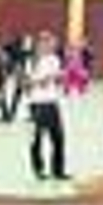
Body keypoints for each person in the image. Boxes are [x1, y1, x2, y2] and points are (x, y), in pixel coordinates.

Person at [24, 32, 68, 180]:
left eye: (53, 42)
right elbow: (26, 84)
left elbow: (58, 81)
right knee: (36, 138)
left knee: (58, 138)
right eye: (49, 42)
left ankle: (58, 170)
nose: (53, 45)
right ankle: (38, 169)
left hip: (52, 103)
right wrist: (41, 80)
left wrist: (61, 78)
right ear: (41, 43)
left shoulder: (55, 59)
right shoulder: (32, 61)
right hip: (37, 104)